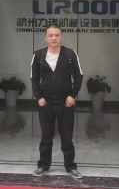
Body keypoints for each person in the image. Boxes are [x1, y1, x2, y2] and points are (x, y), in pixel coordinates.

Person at [30, 24, 83, 179]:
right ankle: (43, 166)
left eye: (57, 35)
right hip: (45, 103)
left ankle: (71, 167)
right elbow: (34, 78)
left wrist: (72, 95)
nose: (54, 38)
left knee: (67, 137)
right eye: (50, 35)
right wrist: (38, 97)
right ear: (45, 37)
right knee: (46, 137)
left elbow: (79, 76)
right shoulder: (38, 55)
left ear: (61, 37)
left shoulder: (70, 54)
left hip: (65, 103)